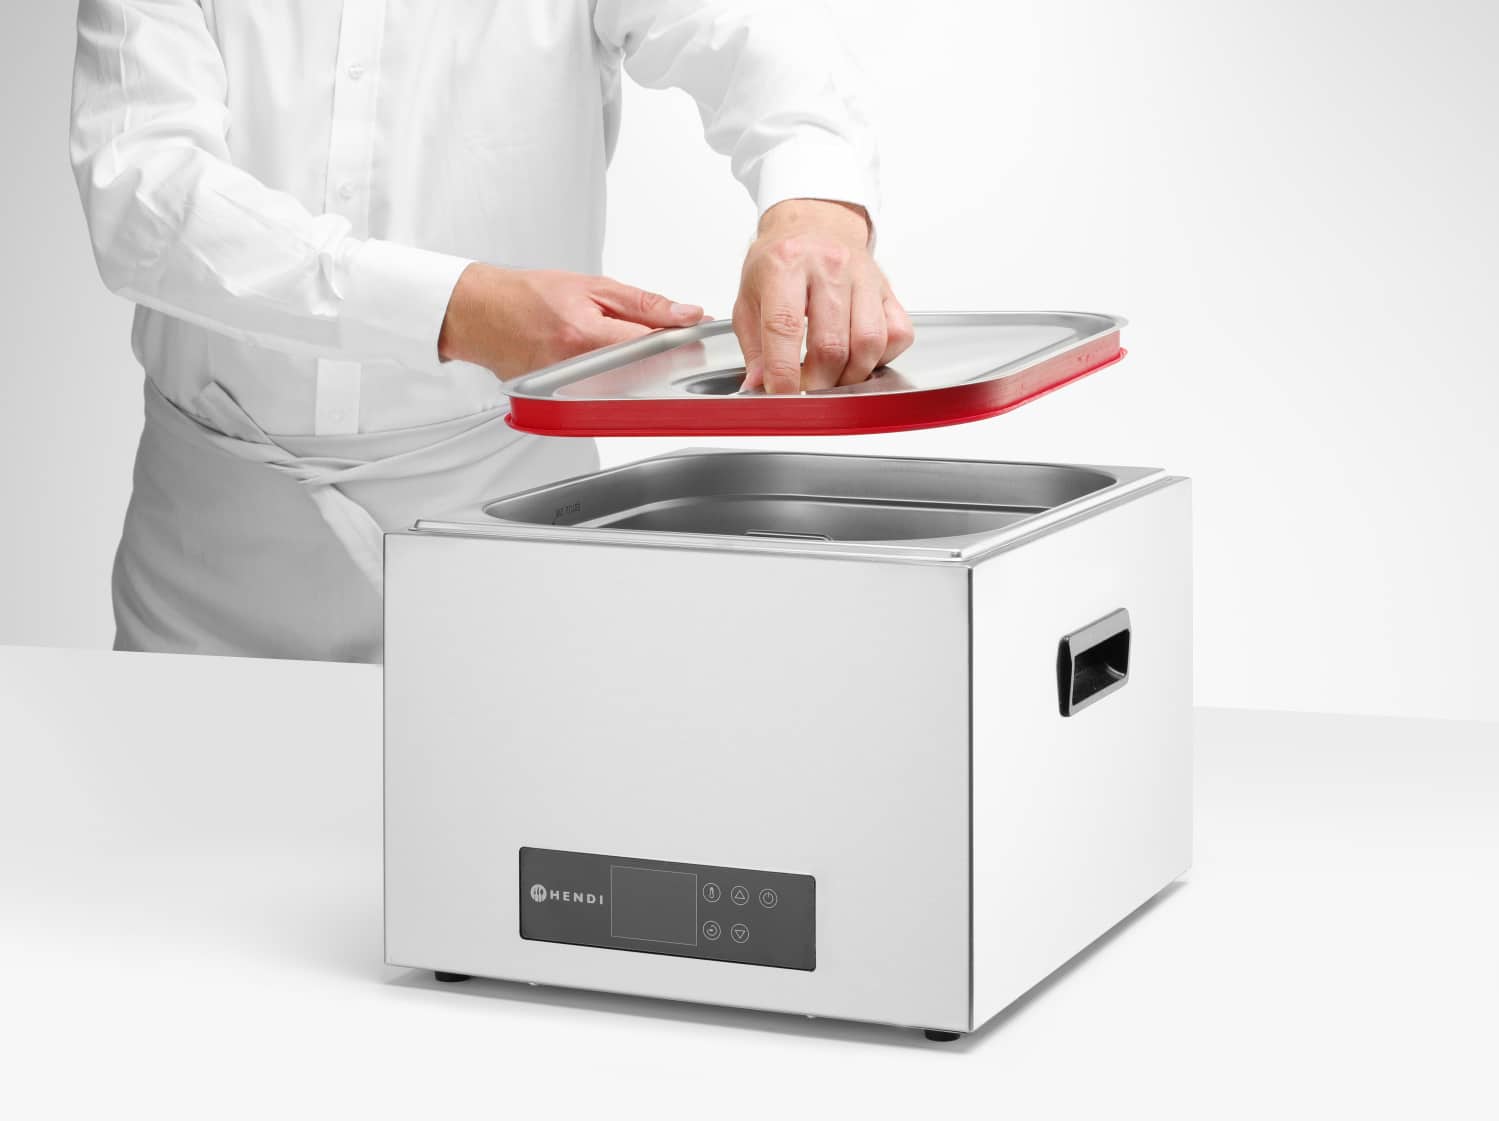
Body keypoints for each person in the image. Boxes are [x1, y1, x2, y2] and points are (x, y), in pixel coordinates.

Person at [70, 1, 913, 663]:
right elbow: (143, 196)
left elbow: (756, 30)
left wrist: (814, 213)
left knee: (515, 824)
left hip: (503, 522)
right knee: (175, 819)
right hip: (206, 552)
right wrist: (457, 308)